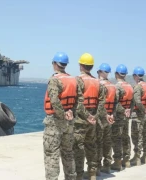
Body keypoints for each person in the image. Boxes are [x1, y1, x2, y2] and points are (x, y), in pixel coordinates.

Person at [43, 52, 89, 180]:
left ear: (54, 64)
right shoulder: (74, 80)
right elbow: (80, 100)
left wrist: (63, 114)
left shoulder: (54, 80)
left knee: (51, 154)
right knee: (68, 153)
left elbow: (54, 100)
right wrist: (71, 112)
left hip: (54, 122)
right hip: (69, 122)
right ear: (65, 65)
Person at [73, 53, 106, 180]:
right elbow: (102, 102)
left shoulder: (78, 80)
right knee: (91, 145)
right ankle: (92, 172)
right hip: (93, 119)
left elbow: (78, 103)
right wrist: (94, 116)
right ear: (92, 67)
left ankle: (79, 174)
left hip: (81, 119)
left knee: (78, 147)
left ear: (80, 65)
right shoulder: (98, 82)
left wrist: (87, 116)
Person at [130, 66, 146, 166]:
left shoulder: (138, 87)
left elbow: (137, 101)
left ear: (136, 76)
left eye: (133, 75)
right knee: (145, 134)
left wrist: (145, 110)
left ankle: (137, 157)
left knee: (137, 135)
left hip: (138, 115)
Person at [95, 63, 118, 175]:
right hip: (109, 117)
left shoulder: (98, 85)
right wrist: (112, 114)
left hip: (100, 118)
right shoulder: (113, 86)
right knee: (107, 142)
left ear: (100, 72)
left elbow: (99, 103)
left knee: (98, 142)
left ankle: (97, 167)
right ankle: (107, 165)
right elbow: (115, 103)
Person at [111, 64, 134, 171]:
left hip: (119, 117)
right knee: (126, 137)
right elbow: (133, 102)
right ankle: (127, 159)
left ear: (116, 74)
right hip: (127, 116)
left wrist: (123, 110)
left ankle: (117, 162)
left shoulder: (117, 87)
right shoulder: (130, 86)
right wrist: (129, 110)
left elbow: (116, 103)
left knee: (117, 138)